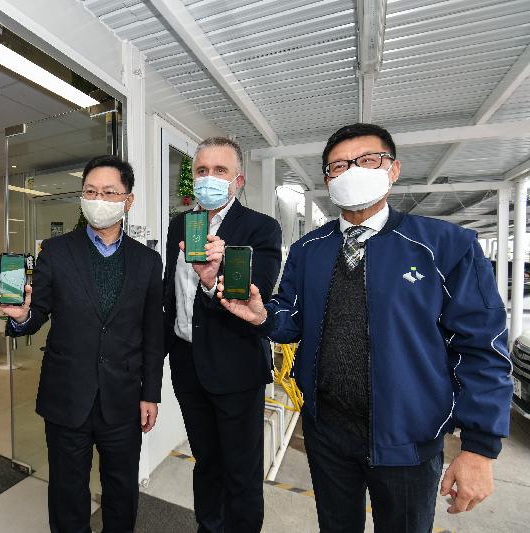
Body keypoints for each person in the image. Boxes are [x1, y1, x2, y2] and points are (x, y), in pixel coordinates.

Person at [219, 123, 513, 532]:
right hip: (327, 432)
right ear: (328, 180)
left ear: (392, 170)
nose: (351, 171)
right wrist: (264, 316)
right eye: (338, 166)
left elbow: (483, 347)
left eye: (367, 160)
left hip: (408, 439)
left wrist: (480, 448)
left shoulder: (445, 246)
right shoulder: (309, 249)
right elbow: (292, 318)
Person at [0, 155, 164, 533]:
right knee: (67, 491)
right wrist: (21, 316)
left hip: (123, 398)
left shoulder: (148, 262)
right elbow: (38, 313)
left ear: (127, 200)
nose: (97, 198)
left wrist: (150, 393)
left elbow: (153, 333)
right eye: (90, 191)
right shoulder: (56, 251)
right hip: (67, 396)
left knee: (121, 491)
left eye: (108, 192)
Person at [163, 137, 282, 532]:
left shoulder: (261, 228)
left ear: (239, 180)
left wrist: (215, 279)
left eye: (220, 171)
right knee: (207, 461)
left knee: (241, 470)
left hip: (235, 368)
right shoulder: (179, 225)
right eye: (201, 171)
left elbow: (255, 297)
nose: (209, 178)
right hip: (186, 363)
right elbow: (171, 292)